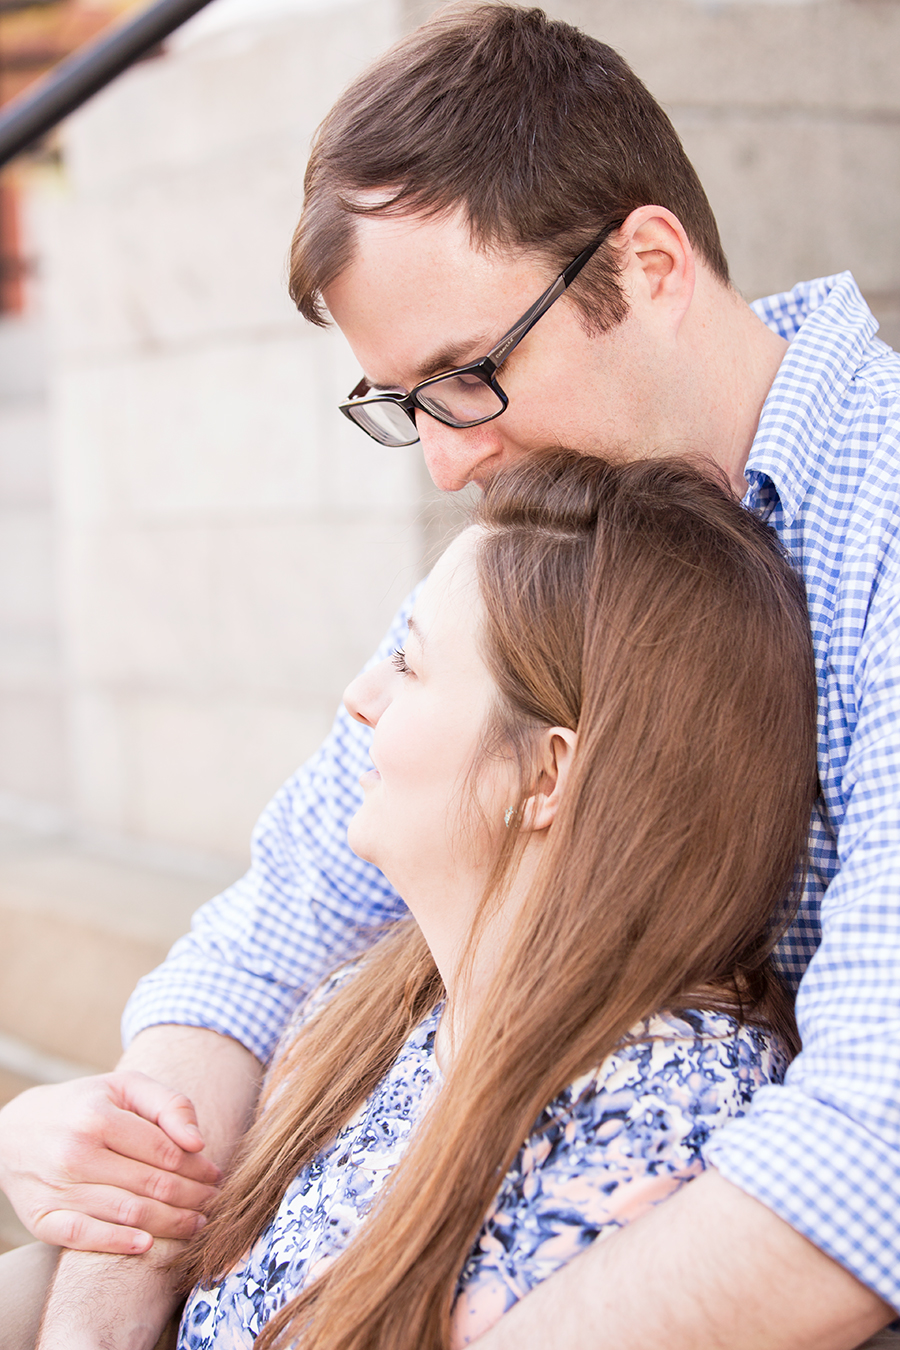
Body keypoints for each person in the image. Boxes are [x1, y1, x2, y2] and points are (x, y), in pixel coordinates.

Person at [7, 3, 900, 1346]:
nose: (446, 461)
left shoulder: (878, 530)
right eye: (401, 405)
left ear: (648, 262)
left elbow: (868, 1162)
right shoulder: (556, 527)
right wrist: (102, 1254)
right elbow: (264, 945)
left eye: (468, 375)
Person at [174, 450, 815, 1350]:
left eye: (407, 663)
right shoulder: (363, 1015)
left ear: (546, 772)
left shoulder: (660, 1120)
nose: (359, 699)